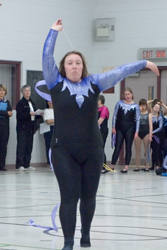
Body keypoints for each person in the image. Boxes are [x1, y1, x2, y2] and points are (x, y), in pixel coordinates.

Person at [36, 19, 159, 250]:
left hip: (93, 150)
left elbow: (120, 71)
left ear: (83, 67)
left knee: (89, 197)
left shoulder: (94, 83)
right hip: (63, 150)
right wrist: (54, 32)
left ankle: (86, 236)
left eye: (78, 63)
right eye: (70, 63)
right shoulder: (54, 82)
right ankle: (68, 242)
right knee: (70, 196)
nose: (74, 66)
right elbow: (47, 56)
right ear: (64, 67)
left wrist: (144, 62)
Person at [110, 87, 140, 173]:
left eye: (128, 94)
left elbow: (138, 119)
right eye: (125, 94)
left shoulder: (135, 106)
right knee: (117, 147)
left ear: (132, 94)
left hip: (130, 128)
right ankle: (112, 166)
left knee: (128, 147)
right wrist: (113, 127)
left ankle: (126, 167)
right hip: (119, 128)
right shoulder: (119, 103)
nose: (127, 96)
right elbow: (115, 115)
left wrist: (136, 131)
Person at [15, 85, 42, 171]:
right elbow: (19, 116)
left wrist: (39, 114)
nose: (27, 92)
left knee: (29, 146)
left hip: (31, 128)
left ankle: (27, 164)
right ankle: (19, 164)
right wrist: (29, 114)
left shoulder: (31, 103)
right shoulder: (20, 103)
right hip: (22, 128)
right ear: (22, 92)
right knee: (22, 146)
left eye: (29, 91)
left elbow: (33, 116)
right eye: (26, 91)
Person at [134, 99, 152, 171]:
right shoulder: (136, 113)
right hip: (138, 132)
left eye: (144, 105)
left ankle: (147, 166)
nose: (143, 107)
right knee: (137, 150)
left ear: (146, 106)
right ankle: (137, 166)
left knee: (147, 150)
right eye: (141, 105)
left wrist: (150, 135)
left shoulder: (149, 114)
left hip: (146, 132)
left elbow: (151, 126)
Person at [0, 84, 13, 171]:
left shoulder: (7, 101)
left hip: (5, 126)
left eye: (3, 90)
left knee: (3, 146)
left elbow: (10, 113)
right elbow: (7, 113)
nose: (2, 92)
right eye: (0, 90)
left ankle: (2, 165)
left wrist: (2, 112)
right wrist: (5, 113)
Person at [149, 100, 164, 170]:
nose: (156, 109)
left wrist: (152, 132)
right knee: (152, 149)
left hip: (158, 135)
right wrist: (152, 101)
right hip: (151, 134)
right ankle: (153, 165)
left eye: (158, 108)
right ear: (153, 107)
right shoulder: (150, 115)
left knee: (157, 149)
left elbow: (160, 127)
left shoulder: (160, 117)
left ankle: (158, 164)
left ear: (159, 110)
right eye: (155, 107)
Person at [98, 95, 110, 174]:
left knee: (101, 147)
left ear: (100, 101)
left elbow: (100, 120)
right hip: (96, 130)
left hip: (102, 130)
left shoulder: (104, 109)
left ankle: (103, 167)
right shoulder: (95, 109)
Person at [43, 100, 54, 167]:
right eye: (49, 101)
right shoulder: (46, 110)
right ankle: (49, 162)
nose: (50, 103)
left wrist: (52, 120)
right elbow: (48, 121)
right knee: (49, 146)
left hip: (56, 129)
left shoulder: (57, 110)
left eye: (51, 101)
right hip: (49, 130)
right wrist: (56, 120)